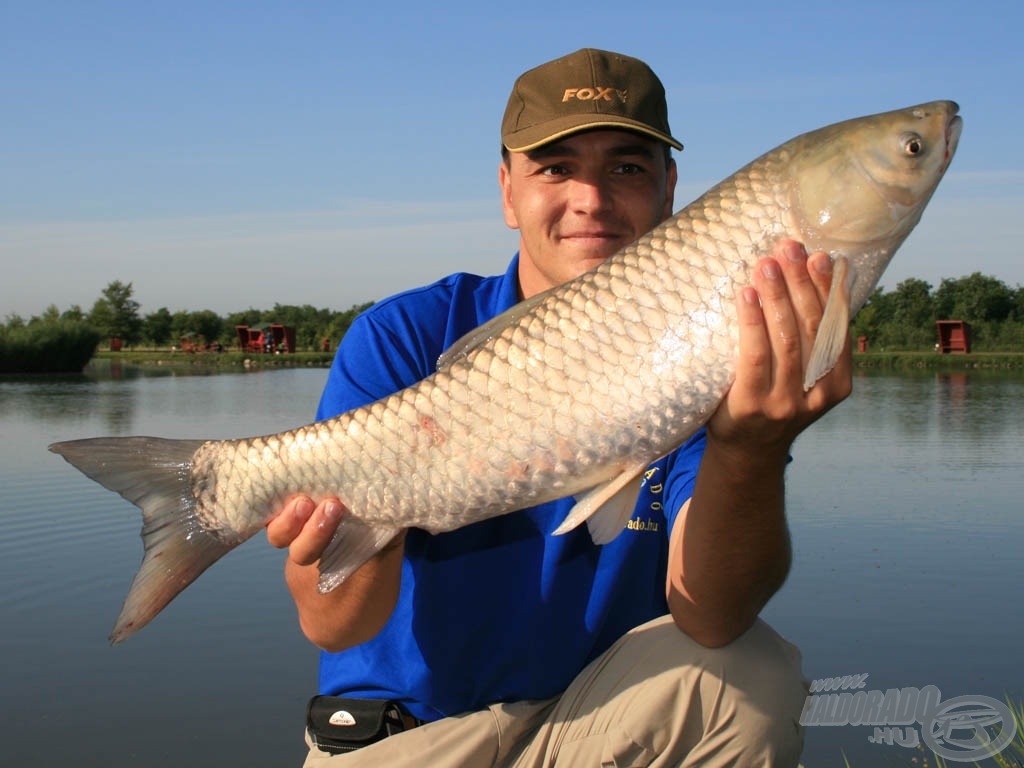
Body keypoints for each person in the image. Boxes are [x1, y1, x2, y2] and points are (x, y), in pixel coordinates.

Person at [267, 48, 852, 767]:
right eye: (555, 168)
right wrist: (368, 505)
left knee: (750, 673)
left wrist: (751, 448)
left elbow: (715, 613)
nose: (592, 199)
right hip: (413, 735)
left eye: (627, 168)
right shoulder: (403, 336)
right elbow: (334, 625)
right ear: (508, 190)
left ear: (669, 190)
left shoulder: (708, 347)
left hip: (599, 727)